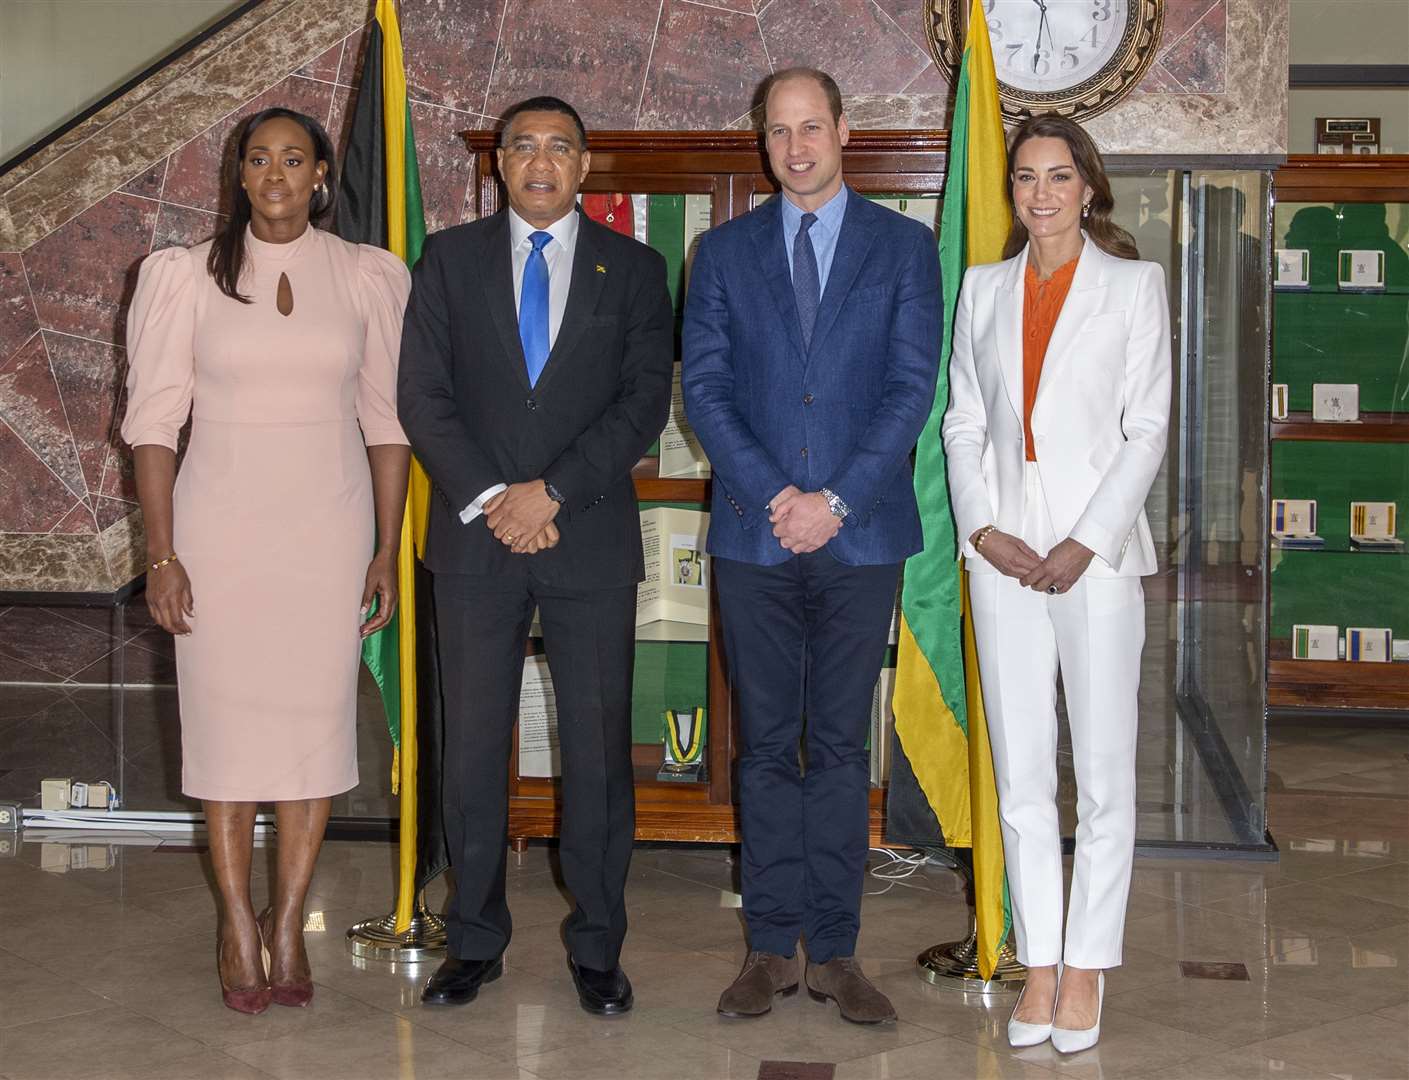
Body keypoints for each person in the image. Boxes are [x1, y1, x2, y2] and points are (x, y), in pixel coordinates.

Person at [122, 107, 412, 1014]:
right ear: (238, 175)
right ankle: (236, 921)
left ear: (322, 174)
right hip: (216, 535)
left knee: (311, 732)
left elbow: (387, 424)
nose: (277, 174)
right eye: (259, 159)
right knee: (227, 736)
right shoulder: (182, 276)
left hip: (327, 534)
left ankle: (288, 919)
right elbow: (152, 427)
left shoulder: (369, 276)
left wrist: (385, 552)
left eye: (296, 159)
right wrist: (161, 554)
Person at [397, 96, 673, 1015]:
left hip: (585, 535)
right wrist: (492, 499)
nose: (542, 162)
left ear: (585, 165)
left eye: (560, 147)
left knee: (597, 753)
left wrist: (549, 493)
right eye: (523, 147)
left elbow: (640, 404)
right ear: (499, 165)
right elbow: (422, 397)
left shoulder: (634, 268)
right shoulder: (447, 260)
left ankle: (598, 946)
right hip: (475, 542)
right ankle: (472, 940)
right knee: (472, 749)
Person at [682, 68, 940, 1025]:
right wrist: (779, 496)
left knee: (834, 748)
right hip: (754, 536)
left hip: (860, 535)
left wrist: (831, 500)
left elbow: (910, 389)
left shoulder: (903, 248)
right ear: (763, 141)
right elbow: (705, 390)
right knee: (762, 751)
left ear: (843, 130)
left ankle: (833, 952)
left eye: (812, 127)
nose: (796, 147)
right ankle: (765, 948)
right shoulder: (720, 252)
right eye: (779, 131)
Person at [942, 113, 1171, 1054]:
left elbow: (1146, 428)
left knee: (1104, 776)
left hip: (1097, 561)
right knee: (1023, 778)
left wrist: (1086, 540)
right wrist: (982, 529)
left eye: (1058, 177)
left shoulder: (1133, 285)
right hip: (1002, 559)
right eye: (1026, 177)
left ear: (1088, 188)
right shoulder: (983, 287)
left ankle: (1087, 969)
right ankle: (1037, 963)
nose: (1040, 193)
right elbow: (962, 423)